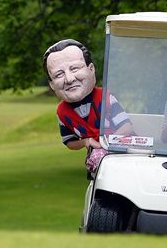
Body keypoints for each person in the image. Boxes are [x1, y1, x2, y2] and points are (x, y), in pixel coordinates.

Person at [42, 38, 134, 174]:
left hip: (126, 154)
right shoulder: (62, 112)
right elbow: (69, 142)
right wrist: (86, 142)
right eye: (59, 74)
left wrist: (105, 144)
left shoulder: (105, 98)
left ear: (91, 69)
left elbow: (127, 127)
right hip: (97, 163)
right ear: (51, 84)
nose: (69, 79)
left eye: (74, 68)